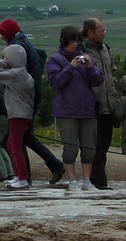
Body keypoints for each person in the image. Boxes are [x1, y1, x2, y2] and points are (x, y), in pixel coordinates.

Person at [0, 19, 65, 185]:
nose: (1, 36)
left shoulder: (17, 47)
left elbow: (12, 71)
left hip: (21, 100)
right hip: (26, 98)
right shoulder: (22, 44)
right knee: (24, 137)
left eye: (2, 32)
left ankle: (24, 177)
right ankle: (34, 172)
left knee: (18, 139)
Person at [46, 24, 103, 192]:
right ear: (65, 41)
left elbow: (98, 80)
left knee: (89, 148)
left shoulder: (85, 56)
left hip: (87, 110)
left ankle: (86, 180)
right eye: (73, 41)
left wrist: (90, 67)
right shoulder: (54, 59)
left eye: (78, 41)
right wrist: (70, 67)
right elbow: (56, 82)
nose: (76, 44)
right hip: (66, 111)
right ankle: (72, 180)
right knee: (70, 148)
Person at [80, 18, 118, 189]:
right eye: (101, 31)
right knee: (92, 146)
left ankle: (100, 181)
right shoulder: (81, 51)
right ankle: (96, 182)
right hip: (91, 106)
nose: (104, 33)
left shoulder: (105, 48)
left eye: (104, 30)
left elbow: (112, 75)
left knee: (104, 146)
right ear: (90, 33)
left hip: (108, 105)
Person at [0, 38, 35, 189]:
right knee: (11, 144)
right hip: (20, 114)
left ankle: (22, 178)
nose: (4, 59)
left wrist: (2, 63)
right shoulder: (22, 72)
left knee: (15, 147)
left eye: (6, 57)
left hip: (18, 114)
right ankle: (18, 176)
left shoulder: (15, 74)